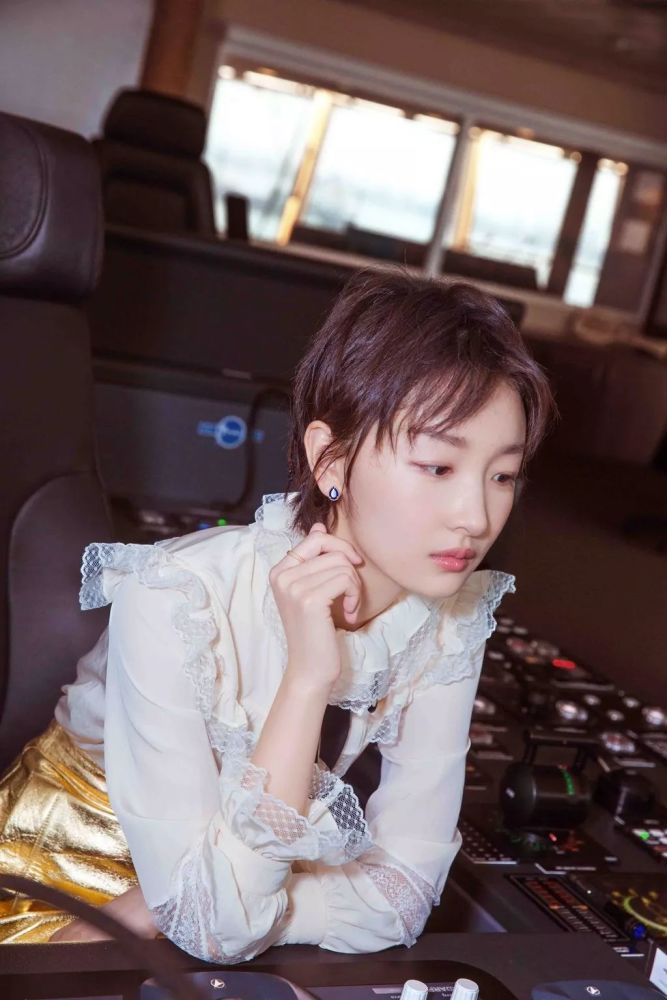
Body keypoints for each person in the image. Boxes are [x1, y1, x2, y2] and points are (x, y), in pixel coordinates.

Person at [0, 268, 554, 957]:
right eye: (438, 467)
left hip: (219, 890)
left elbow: (403, 897)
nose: (475, 517)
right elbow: (217, 929)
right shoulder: (177, 593)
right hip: (52, 888)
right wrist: (307, 678)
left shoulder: (450, 615)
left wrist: (216, 908)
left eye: (502, 476)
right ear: (331, 458)